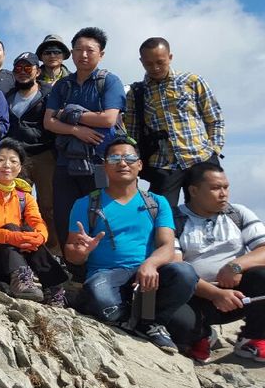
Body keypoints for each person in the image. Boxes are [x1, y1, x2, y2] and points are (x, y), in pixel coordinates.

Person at [64, 137, 197, 352]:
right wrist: (81, 251)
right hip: (106, 275)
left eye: (129, 158)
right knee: (102, 301)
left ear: (140, 165)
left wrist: (150, 264)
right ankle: (136, 318)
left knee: (185, 274)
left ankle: (150, 322)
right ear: (105, 166)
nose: (122, 163)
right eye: (114, 158)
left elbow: (167, 245)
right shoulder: (86, 204)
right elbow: (71, 253)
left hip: (147, 276)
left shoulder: (156, 202)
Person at [167, 163, 265, 362]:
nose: (223, 194)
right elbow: (177, 269)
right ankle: (201, 335)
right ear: (194, 191)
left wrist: (235, 266)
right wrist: (216, 294)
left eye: (226, 187)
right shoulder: (174, 218)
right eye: (215, 188)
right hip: (195, 295)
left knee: (262, 276)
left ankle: (252, 338)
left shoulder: (237, 213)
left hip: (237, 294)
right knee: (179, 323)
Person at [44, 26, 127, 253]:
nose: (84, 55)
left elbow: (108, 119)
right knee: (65, 217)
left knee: (103, 215)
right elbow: (48, 122)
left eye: (90, 50)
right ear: (72, 53)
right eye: (79, 50)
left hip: (100, 162)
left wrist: (71, 114)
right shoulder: (63, 85)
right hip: (66, 162)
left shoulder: (109, 81)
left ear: (101, 54)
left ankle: (105, 263)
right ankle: (73, 267)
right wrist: (76, 130)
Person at [124, 37, 224, 208]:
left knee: (209, 210)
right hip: (163, 166)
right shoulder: (137, 92)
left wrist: (214, 149)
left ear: (170, 57)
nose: (155, 67)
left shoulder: (192, 81)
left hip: (201, 159)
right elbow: (132, 134)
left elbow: (214, 118)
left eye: (160, 62)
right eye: (149, 63)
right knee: (159, 215)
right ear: (141, 62)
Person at [0, 139, 67, 305]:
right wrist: (12, 237)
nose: (7, 165)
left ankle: (53, 287)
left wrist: (40, 236)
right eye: (1, 160)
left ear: (20, 167)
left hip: (12, 261)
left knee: (29, 231)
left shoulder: (24, 197)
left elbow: (37, 221)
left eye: (13, 161)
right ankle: (22, 281)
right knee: (12, 228)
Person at [4, 52, 56, 243]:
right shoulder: (7, 96)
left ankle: (52, 249)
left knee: (48, 205)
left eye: (28, 67)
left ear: (38, 71)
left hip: (45, 154)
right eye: (18, 68)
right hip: (17, 157)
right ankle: (21, 246)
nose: (22, 72)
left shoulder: (49, 93)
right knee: (17, 204)